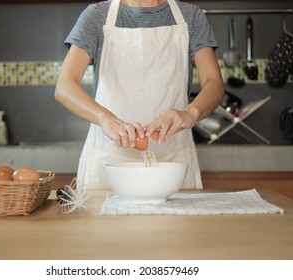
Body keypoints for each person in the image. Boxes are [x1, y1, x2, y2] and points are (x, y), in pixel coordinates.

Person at [55, 0, 224, 189]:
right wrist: (106, 119)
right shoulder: (96, 16)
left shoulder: (191, 17)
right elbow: (65, 87)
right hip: (109, 161)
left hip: (173, 162)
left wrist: (191, 113)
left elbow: (214, 84)